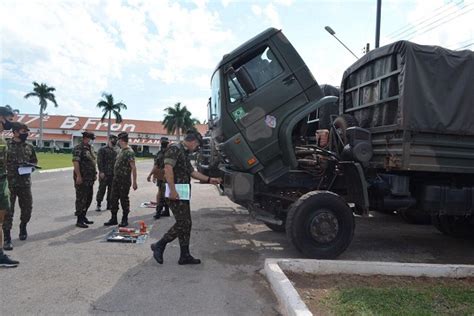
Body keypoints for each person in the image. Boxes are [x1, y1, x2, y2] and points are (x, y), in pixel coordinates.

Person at [151, 130, 221, 265]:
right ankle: (160, 245)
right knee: (183, 223)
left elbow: (192, 172)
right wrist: (172, 190)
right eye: (197, 145)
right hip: (175, 192)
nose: (196, 148)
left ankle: (185, 255)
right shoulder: (175, 149)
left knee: (186, 224)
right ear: (193, 142)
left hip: (182, 192)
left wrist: (209, 179)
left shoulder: (183, 152)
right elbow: (168, 168)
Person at [3, 122, 38, 250]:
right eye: (24, 131)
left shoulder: (29, 146)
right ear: (16, 132)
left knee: (27, 208)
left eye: (26, 132)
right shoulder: (6, 145)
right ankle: (7, 237)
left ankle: (23, 226)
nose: (26, 134)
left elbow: (34, 161)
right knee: (8, 212)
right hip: (10, 184)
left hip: (25, 184)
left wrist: (30, 167)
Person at [104, 132, 137, 227]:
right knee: (113, 199)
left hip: (124, 180)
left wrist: (134, 182)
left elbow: (133, 167)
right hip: (116, 179)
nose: (117, 142)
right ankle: (113, 218)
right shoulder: (121, 150)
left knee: (124, 199)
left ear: (121, 140)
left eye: (118, 140)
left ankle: (124, 219)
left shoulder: (129, 151)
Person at [0, 106, 19, 267]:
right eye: (9, 120)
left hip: (2, 182)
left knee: (0, 220)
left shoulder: (2, 138)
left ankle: (0, 255)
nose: (10, 124)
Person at [72, 131, 97, 228]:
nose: (92, 141)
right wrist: (78, 176)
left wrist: (94, 173)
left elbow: (93, 162)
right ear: (86, 138)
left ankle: (84, 216)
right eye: (91, 139)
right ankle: (79, 219)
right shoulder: (79, 148)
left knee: (88, 198)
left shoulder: (90, 148)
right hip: (82, 178)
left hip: (90, 178)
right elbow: (76, 163)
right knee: (81, 199)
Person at [147, 137, 170, 219]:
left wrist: (151, 175)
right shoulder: (170, 153)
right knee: (166, 194)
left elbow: (156, 166)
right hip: (167, 176)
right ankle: (166, 211)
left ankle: (158, 212)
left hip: (163, 176)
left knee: (161, 195)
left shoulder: (160, 154)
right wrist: (153, 175)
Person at [95, 135, 118, 212]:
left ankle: (109, 204)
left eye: (115, 140)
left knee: (111, 191)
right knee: (101, 189)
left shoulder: (117, 150)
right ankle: (98, 204)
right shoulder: (103, 149)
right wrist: (101, 171)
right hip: (104, 173)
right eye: (113, 140)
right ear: (109, 140)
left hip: (113, 174)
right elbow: (99, 161)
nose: (114, 141)